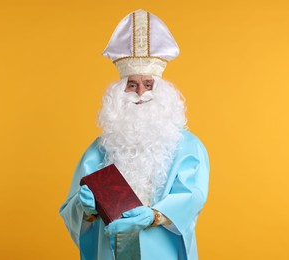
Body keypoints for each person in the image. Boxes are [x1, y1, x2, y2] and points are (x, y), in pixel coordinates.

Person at [59, 9, 210, 260]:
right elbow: (71, 210)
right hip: (111, 252)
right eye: (132, 85)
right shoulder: (100, 149)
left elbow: (193, 196)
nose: (141, 93)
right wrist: (84, 209)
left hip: (164, 253)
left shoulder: (187, 146)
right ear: (119, 92)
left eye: (148, 84)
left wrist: (155, 215)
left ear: (162, 91)